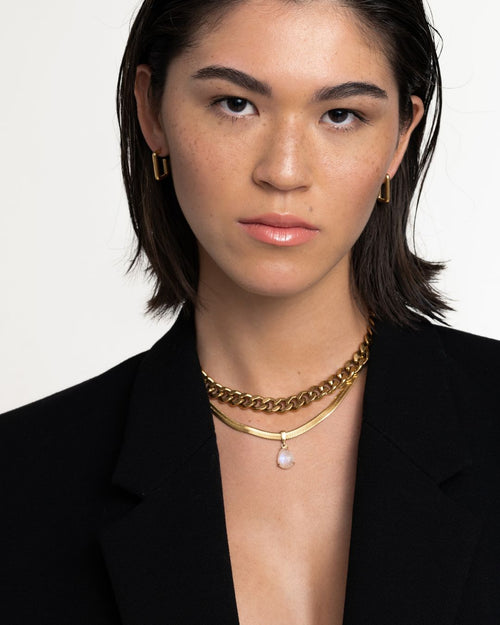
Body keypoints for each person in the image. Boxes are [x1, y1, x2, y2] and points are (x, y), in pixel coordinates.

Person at [1, 0, 499, 623]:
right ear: (152, 110)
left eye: (341, 114)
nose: (283, 172)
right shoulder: (19, 480)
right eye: (235, 104)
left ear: (400, 137)